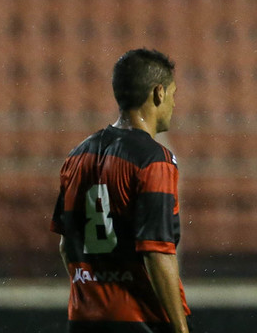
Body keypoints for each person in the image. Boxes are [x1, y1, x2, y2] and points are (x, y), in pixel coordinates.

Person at [51, 48, 192, 333]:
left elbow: (67, 245)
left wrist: (94, 292)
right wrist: (180, 329)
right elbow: (157, 252)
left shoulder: (77, 156)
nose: (175, 104)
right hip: (138, 319)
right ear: (158, 93)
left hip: (83, 319)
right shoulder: (154, 159)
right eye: (174, 95)